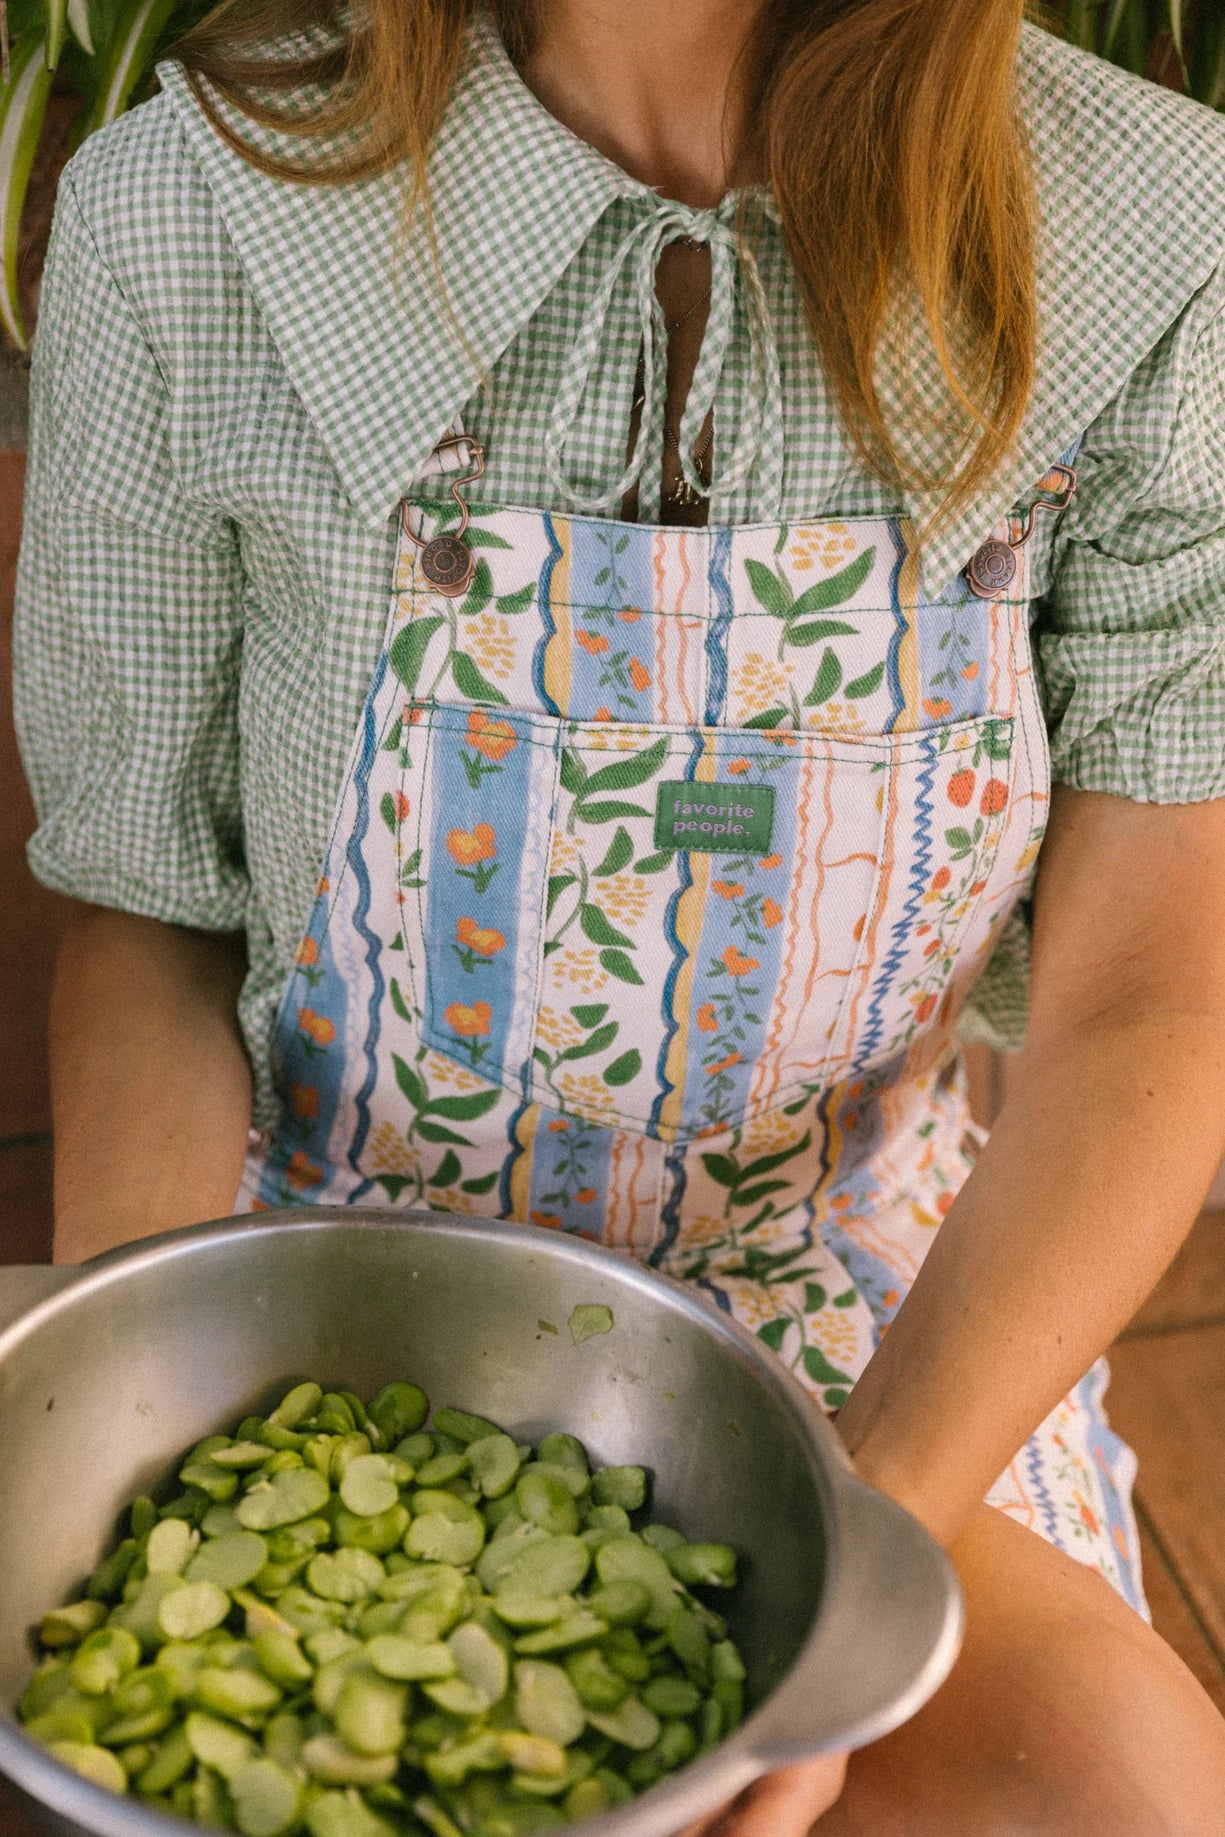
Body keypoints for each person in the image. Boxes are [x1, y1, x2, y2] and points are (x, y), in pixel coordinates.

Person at [14, 0, 1225, 1826]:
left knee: (1125, 1787)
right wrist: (188, 1457)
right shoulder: (185, 211)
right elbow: (149, 916)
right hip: (312, 1291)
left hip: (876, 1333)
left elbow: (1151, 998)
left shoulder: (1156, 244)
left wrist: (852, 1570)